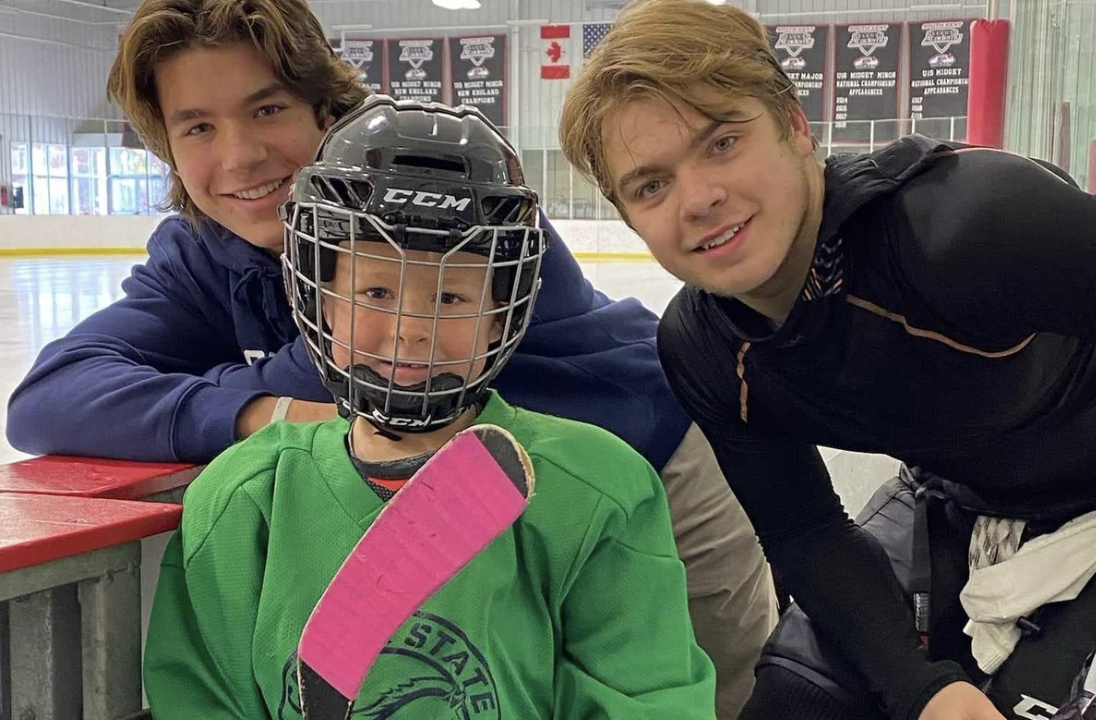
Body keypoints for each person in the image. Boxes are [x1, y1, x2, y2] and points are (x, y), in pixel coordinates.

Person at [5, 0, 776, 718]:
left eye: (268, 109)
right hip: (454, 502)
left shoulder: (445, 193)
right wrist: (261, 412)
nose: (239, 155)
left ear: (325, 106)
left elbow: (353, 370)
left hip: (639, 468)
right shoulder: (206, 250)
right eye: (198, 126)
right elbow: (49, 396)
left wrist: (265, 392)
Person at [557, 0, 1096, 720]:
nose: (699, 198)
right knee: (793, 699)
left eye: (722, 143)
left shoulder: (969, 227)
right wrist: (922, 689)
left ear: (794, 124)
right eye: (652, 185)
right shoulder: (704, 348)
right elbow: (805, 529)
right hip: (959, 499)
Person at [142, 94, 717, 720]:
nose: (411, 328)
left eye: (450, 297)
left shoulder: (598, 491)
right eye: (375, 289)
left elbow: (648, 699)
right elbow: (202, 700)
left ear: (500, 315)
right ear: (322, 301)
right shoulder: (242, 500)